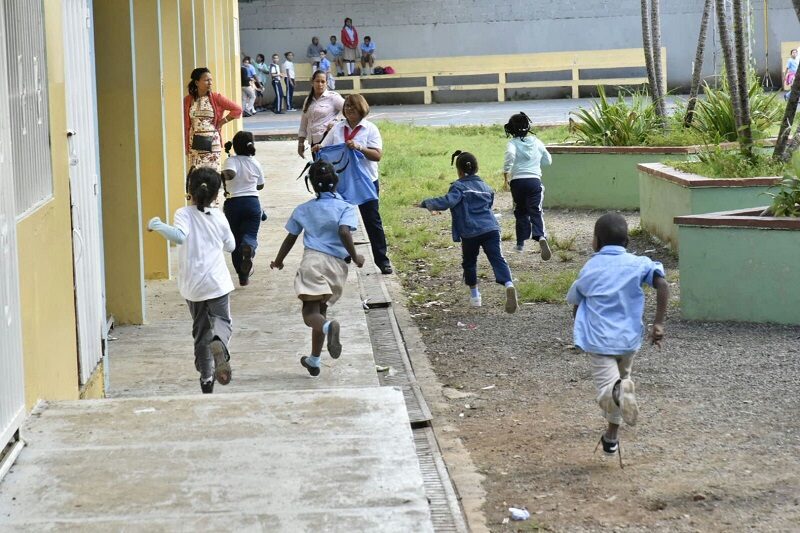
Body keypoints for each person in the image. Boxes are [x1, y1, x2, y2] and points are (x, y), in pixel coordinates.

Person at [566, 213, 668, 463]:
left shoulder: (591, 267)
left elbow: (577, 301)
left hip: (601, 342)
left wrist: (578, 324)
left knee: (609, 392)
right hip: (629, 340)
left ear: (596, 242)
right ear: (627, 242)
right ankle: (611, 437)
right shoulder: (640, 263)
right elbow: (663, 284)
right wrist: (658, 323)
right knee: (622, 387)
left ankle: (618, 396)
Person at [270, 161, 365, 377]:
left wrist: (278, 261)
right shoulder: (347, 208)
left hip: (313, 263)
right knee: (320, 313)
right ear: (336, 181)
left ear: (311, 184)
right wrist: (355, 256)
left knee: (310, 314)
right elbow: (344, 231)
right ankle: (314, 360)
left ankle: (329, 327)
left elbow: (290, 238)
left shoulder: (304, 209)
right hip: (337, 267)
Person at [147, 167, 236, 394]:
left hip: (193, 286)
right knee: (222, 321)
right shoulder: (220, 216)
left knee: (200, 331)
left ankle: (206, 377)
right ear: (216, 195)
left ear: (190, 191)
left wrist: (157, 224)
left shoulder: (183, 214)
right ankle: (220, 342)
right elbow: (231, 246)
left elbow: (178, 236)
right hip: (217, 283)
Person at [419, 151, 518, 313]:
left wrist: (426, 203)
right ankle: (508, 284)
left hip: (470, 231)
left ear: (459, 170)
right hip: (491, 228)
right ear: (476, 168)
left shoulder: (458, 187)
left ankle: (475, 296)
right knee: (497, 258)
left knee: (470, 262)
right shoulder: (487, 187)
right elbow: (488, 206)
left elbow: (447, 202)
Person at [317, 94, 392, 274]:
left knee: (372, 221)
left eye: (353, 106)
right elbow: (324, 148)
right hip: (341, 183)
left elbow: (377, 155)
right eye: (347, 106)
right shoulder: (337, 128)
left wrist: (359, 147)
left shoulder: (370, 129)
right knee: (340, 221)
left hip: (365, 181)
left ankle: (382, 260)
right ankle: (344, 254)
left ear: (361, 108)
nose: (349, 109)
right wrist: (318, 148)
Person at [503, 112, 553, 259]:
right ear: (528, 127)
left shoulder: (512, 143)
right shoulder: (537, 142)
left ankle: (520, 243)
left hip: (517, 182)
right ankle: (540, 236)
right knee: (535, 210)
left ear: (511, 129)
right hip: (534, 181)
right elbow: (548, 160)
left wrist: (506, 171)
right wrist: (538, 163)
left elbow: (510, 155)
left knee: (520, 210)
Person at [222, 131, 265, 287]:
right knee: (250, 235)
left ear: (234, 145)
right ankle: (249, 247)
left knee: (235, 240)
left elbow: (230, 174)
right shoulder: (255, 163)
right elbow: (260, 185)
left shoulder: (230, 161)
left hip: (233, 204)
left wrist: (223, 176)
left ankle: (242, 277)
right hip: (252, 203)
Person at [184, 67, 242, 172]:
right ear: (197, 82)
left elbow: (237, 109)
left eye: (211, 80)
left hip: (212, 144)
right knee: (196, 174)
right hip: (194, 145)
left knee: (212, 174)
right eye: (206, 80)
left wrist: (222, 122)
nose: (210, 83)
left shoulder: (216, 98)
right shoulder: (188, 100)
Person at [297, 71, 344, 157]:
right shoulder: (308, 100)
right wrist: (300, 143)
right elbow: (303, 123)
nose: (320, 84)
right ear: (312, 82)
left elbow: (350, 111)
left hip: (328, 141)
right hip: (313, 143)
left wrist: (337, 122)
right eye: (317, 81)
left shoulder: (333, 97)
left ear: (327, 83)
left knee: (329, 168)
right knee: (318, 168)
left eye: (323, 81)